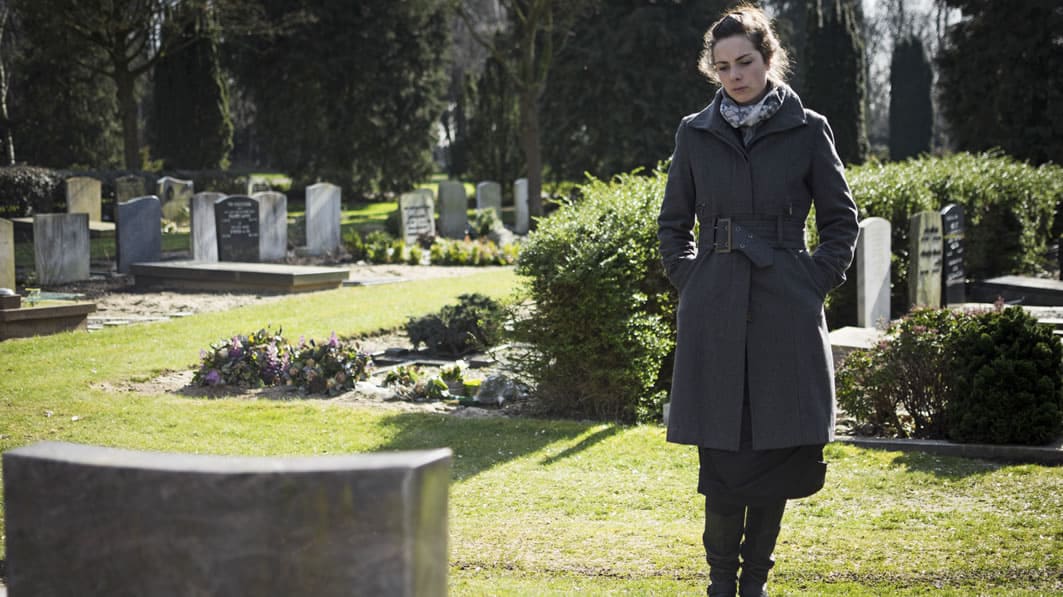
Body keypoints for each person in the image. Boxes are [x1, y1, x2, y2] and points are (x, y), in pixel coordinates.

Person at [656, 5, 859, 597]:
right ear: (711, 70)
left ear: (768, 59)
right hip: (713, 307)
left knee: (774, 452)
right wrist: (690, 279)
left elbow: (841, 219)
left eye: (744, 61)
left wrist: (814, 280)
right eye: (722, 67)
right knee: (721, 460)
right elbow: (673, 225)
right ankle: (721, 583)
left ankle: (754, 585)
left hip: (784, 307)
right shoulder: (693, 132)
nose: (734, 75)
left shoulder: (808, 127)